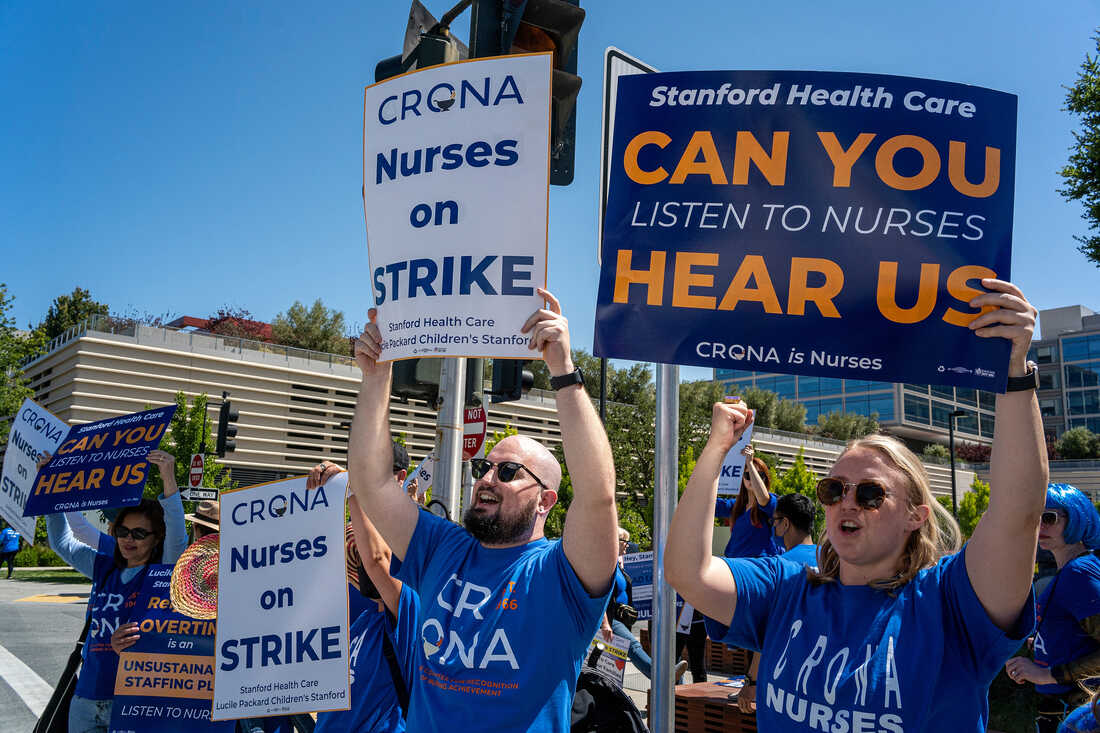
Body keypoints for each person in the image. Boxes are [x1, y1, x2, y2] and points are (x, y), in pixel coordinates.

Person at [665, 279, 1047, 731]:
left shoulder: (951, 602)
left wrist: (1014, 372)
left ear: (915, 515)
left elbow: (1017, 514)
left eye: (870, 494)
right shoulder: (789, 584)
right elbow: (688, 573)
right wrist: (717, 450)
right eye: (834, 490)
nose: (848, 502)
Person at [347, 289, 617, 732]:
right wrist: (376, 378)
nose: (488, 478)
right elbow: (373, 483)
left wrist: (563, 372)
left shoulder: (563, 575)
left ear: (546, 499)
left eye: (509, 471)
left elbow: (597, 495)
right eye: (484, 466)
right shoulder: (442, 548)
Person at [46, 449, 188, 733]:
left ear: (156, 538)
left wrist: (168, 480)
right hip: (86, 696)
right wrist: (51, 488)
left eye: (139, 533)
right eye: (123, 531)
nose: (128, 539)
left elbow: (178, 534)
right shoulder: (104, 567)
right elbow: (61, 542)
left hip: (132, 700)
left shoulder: (163, 572)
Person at [310, 458, 420, 733]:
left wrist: (352, 487)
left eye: (363, 558)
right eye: (354, 559)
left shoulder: (409, 611)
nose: (362, 565)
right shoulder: (361, 624)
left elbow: (377, 558)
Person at [1006, 482, 1100, 731]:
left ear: (1078, 517)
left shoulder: (1079, 573)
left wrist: (1046, 675)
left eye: (1049, 517)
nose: (1040, 526)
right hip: (1067, 707)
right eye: (1035, 518)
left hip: (1078, 709)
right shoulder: (1073, 570)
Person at [714, 444, 782, 558]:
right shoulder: (736, 506)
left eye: (759, 475)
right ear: (742, 479)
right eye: (747, 474)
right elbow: (709, 505)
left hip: (760, 564)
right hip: (735, 563)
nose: (752, 478)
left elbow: (763, 499)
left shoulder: (773, 502)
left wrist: (749, 463)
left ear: (765, 479)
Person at [774, 493, 818, 569]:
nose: (773, 526)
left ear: (785, 524)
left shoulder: (780, 566)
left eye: (774, 520)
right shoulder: (830, 558)